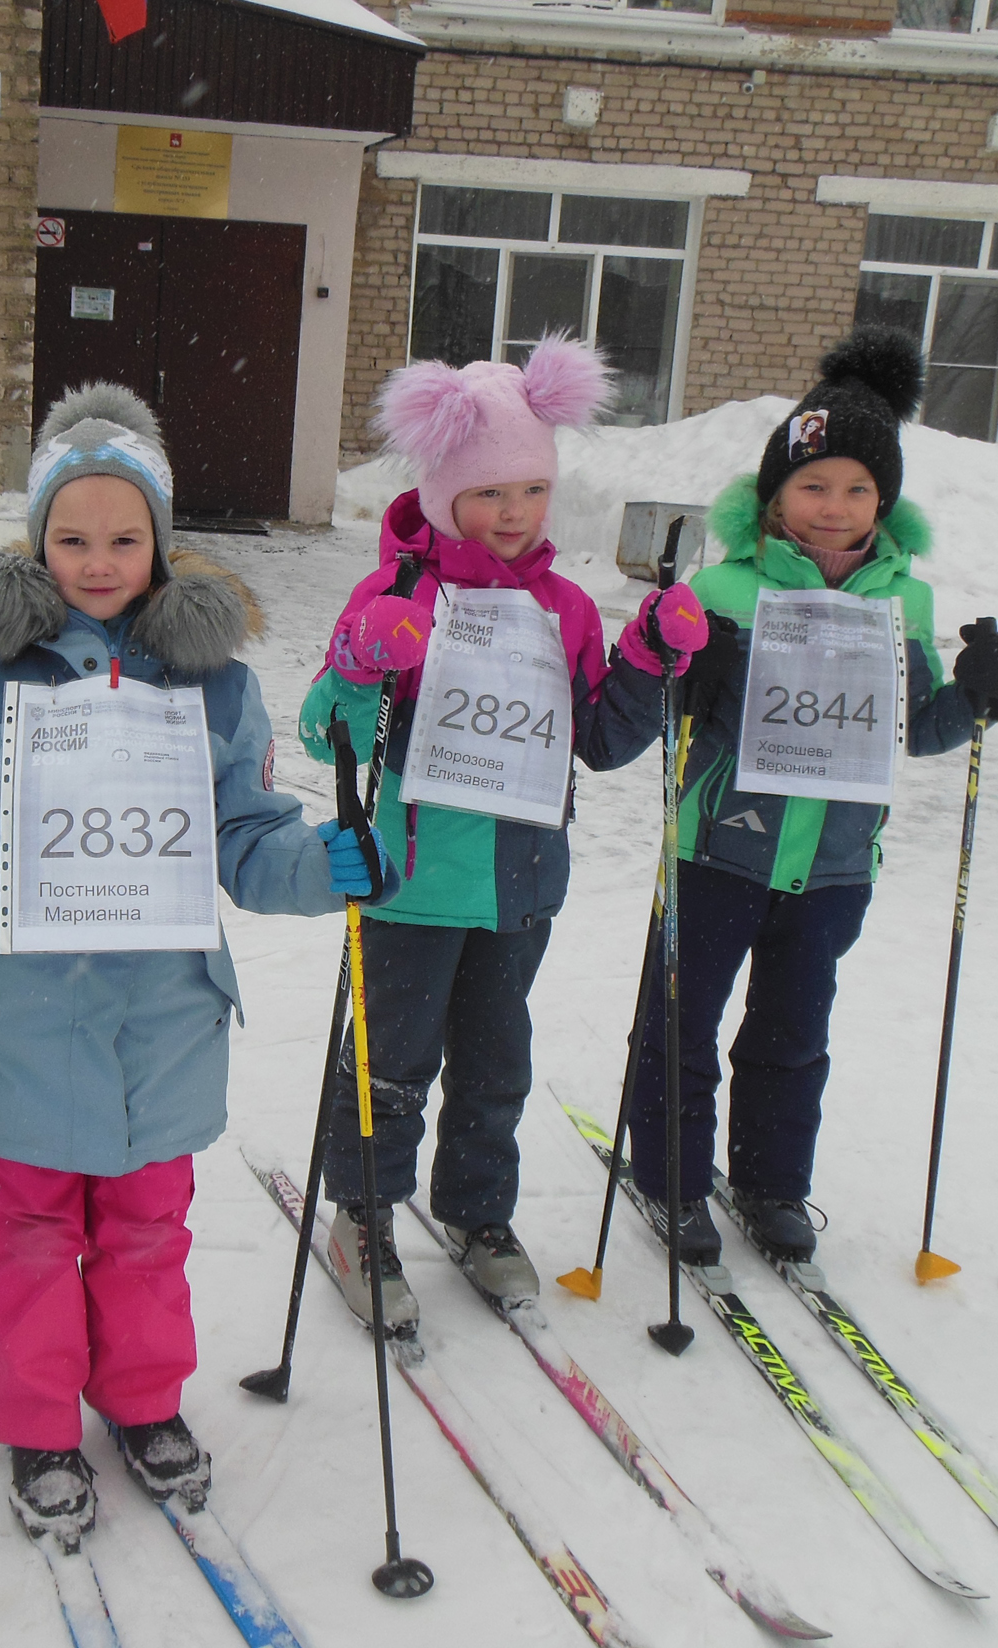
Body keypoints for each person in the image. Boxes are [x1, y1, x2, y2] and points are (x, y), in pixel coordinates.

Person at [0, 384, 392, 1548]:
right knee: (27, 1232)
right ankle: (37, 1422)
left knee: (146, 1230)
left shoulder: (216, 683)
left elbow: (246, 836)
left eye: (122, 537)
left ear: (160, 542)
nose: (96, 560)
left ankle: (141, 1402)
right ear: (37, 544)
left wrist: (315, 863)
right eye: (70, 538)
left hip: (164, 1017)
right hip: (25, 1014)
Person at [624, 325, 998, 1264]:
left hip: (838, 865)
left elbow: (918, 729)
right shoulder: (724, 587)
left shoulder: (907, 604)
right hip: (718, 848)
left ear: (884, 501)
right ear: (773, 497)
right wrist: (691, 678)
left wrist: (981, 695)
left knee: (793, 1030)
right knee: (683, 1020)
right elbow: (668, 707)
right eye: (813, 485)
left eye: (858, 489)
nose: (834, 506)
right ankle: (673, 1180)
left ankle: (773, 1183)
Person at [298, 336, 684, 1319]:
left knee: (495, 1065)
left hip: (517, 891)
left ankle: (476, 1212)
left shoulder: (564, 609)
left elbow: (598, 738)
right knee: (388, 1064)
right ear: (441, 494)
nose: (512, 514)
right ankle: (364, 1214)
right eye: (488, 494)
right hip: (411, 883)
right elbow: (324, 732)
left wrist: (646, 659)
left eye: (531, 491)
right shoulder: (398, 596)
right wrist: (362, 662)